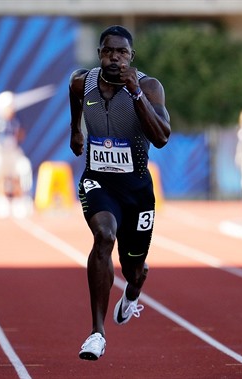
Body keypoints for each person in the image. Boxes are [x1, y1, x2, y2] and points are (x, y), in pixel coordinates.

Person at [68, 25, 171, 360]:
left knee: (134, 268)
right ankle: (97, 333)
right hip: (98, 180)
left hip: (137, 189)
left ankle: (134, 289)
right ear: (100, 54)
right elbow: (75, 101)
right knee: (104, 235)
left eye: (122, 52)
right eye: (109, 51)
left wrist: (136, 94)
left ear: (131, 56)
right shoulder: (82, 82)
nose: (115, 57)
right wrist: (75, 130)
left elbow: (161, 137)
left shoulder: (148, 87)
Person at [0, 91, 33, 218]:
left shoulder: (17, 119)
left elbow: (21, 135)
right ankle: (1, 200)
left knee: (22, 169)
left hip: (12, 150)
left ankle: (18, 199)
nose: (10, 110)